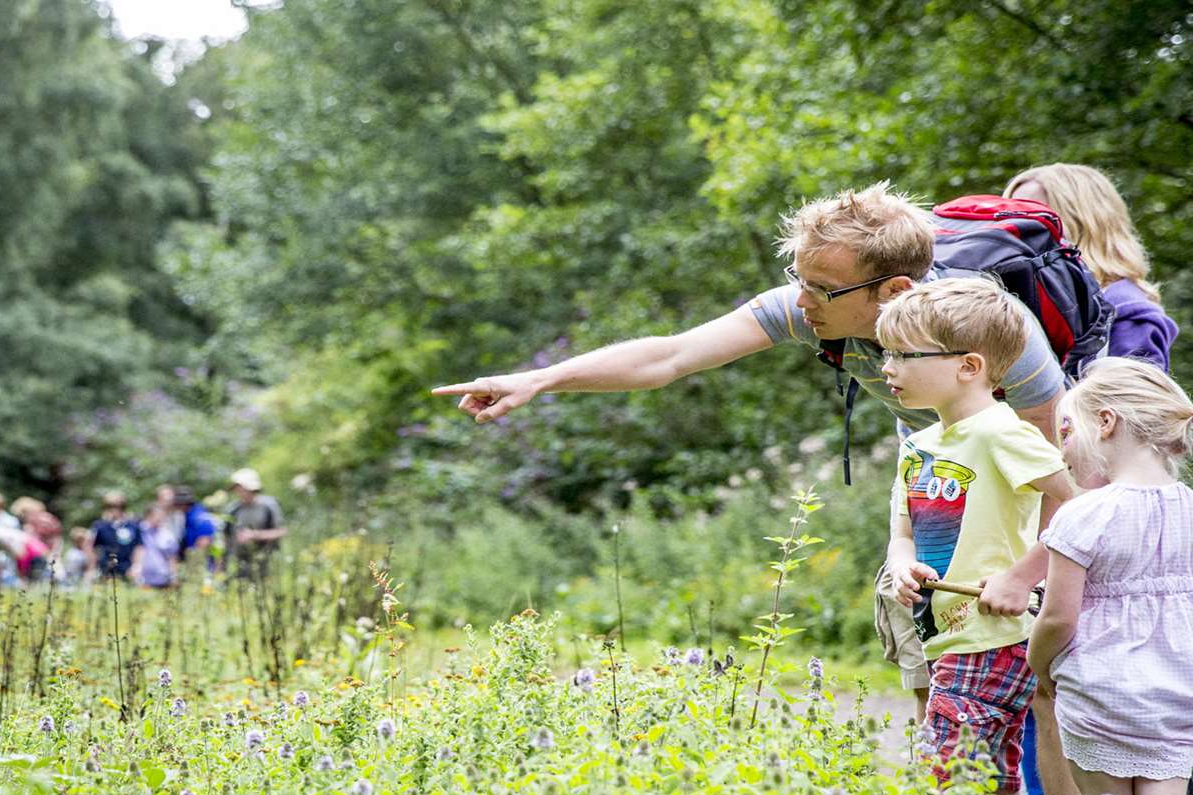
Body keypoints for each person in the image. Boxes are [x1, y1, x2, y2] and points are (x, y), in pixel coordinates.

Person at [430, 182, 1071, 752]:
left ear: (893, 291)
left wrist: (1024, 575)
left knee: (1044, 680)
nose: (801, 301)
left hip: (1026, 498)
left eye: (821, 289)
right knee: (934, 680)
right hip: (936, 488)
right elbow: (671, 357)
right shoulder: (812, 306)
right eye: (798, 280)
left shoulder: (994, 337)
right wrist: (540, 380)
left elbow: (1059, 483)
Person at [877, 278, 1075, 795]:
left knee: (942, 777)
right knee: (993, 775)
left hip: (997, 637)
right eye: (885, 352)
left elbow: (1084, 510)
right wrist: (901, 566)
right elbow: (902, 533)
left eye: (902, 354)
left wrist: (1022, 575)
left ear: (969, 365)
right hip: (944, 634)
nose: (887, 367)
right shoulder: (918, 447)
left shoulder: (1000, 435)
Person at [1026, 358, 1193, 795]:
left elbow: (1057, 615)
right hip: (1177, 684)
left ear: (1106, 422)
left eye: (1068, 430)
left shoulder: (1083, 515)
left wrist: (1042, 668)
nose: (1065, 444)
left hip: (1100, 686)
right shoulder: (1186, 508)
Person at [1004, 164, 1177, 370]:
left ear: (1084, 223)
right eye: (1008, 215)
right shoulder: (1017, 301)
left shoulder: (1127, 313)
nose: (1016, 228)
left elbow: (1129, 401)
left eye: (1033, 218)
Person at [227, 468, 287, 578]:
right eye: (237, 489)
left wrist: (254, 535)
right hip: (240, 561)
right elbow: (226, 535)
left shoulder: (269, 505)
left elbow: (282, 531)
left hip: (267, 559)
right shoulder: (233, 508)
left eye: (241, 488)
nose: (239, 492)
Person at [84, 491, 142, 582]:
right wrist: (91, 567)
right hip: (105, 570)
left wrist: (137, 566)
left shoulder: (132, 525)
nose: (114, 510)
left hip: (127, 570)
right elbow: (89, 546)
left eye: (119, 506)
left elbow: (139, 547)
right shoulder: (100, 526)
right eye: (109, 506)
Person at [135, 501, 181, 588]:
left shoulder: (167, 535)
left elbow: (172, 557)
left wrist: (174, 577)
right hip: (142, 579)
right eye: (158, 516)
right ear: (148, 516)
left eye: (162, 516)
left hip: (162, 579)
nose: (160, 519)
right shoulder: (139, 530)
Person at [171, 486, 217, 567]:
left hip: (200, 565)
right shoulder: (187, 516)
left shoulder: (198, 516)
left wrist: (192, 565)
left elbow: (204, 542)